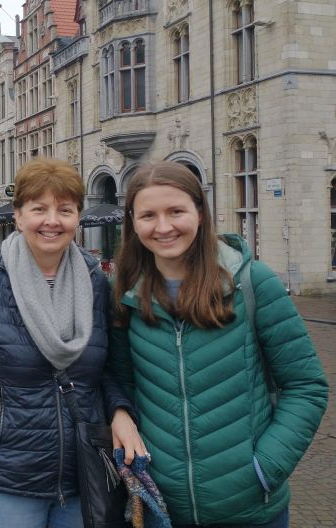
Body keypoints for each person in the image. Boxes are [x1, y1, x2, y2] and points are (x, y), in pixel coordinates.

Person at [109, 161, 328, 527]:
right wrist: (119, 414)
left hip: (251, 509)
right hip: (162, 508)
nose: (163, 227)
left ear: (199, 211)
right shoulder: (124, 294)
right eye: (148, 215)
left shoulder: (253, 283)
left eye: (176, 211)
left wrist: (264, 469)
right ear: (132, 222)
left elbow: (306, 387)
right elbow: (119, 381)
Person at [0, 158, 138, 526]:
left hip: (82, 476)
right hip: (5, 479)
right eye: (39, 209)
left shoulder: (97, 283)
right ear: (19, 215)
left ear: (77, 217)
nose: (52, 221)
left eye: (65, 210)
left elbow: (108, 370)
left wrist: (121, 411)